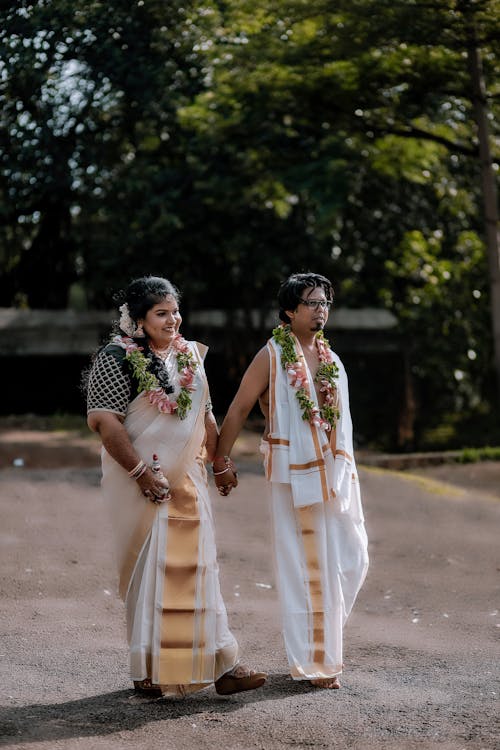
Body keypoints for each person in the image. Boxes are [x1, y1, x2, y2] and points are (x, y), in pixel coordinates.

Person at [85, 275, 266, 697]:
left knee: (200, 569)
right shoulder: (115, 358)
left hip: (189, 481)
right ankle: (147, 669)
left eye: (175, 311)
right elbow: (105, 422)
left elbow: (204, 416)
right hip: (140, 483)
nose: (172, 320)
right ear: (137, 319)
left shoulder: (190, 357)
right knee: (150, 574)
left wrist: (220, 462)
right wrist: (140, 474)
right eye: (161, 313)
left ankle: (223, 663)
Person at [213, 272, 369, 689]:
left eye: (325, 304)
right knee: (307, 569)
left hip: (334, 475)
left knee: (354, 558)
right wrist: (219, 459)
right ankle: (318, 663)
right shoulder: (273, 355)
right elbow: (239, 406)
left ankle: (324, 643)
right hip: (292, 476)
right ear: (290, 311)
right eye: (312, 303)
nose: (321, 311)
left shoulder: (330, 359)